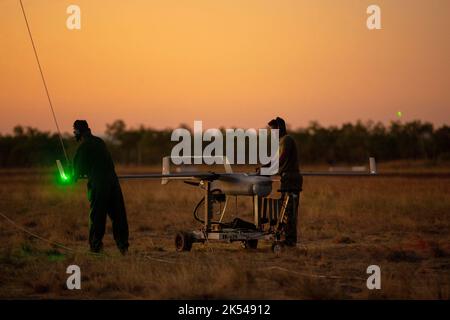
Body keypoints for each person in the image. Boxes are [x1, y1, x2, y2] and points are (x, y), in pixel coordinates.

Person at [72, 120, 129, 254]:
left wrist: (73, 175)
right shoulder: (99, 142)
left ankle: (95, 248)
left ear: (79, 132)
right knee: (119, 217)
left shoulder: (83, 147)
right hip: (113, 184)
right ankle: (123, 247)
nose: (74, 134)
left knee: (97, 217)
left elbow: (77, 172)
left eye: (74, 132)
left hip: (99, 185)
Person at [268, 117, 303, 247]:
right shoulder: (281, 141)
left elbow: (281, 159)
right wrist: (264, 167)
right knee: (284, 210)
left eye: (274, 130)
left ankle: (290, 240)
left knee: (290, 210)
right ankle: (285, 237)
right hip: (286, 178)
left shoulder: (287, 140)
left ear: (280, 129)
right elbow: (275, 159)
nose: (272, 134)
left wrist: (267, 169)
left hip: (291, 178)